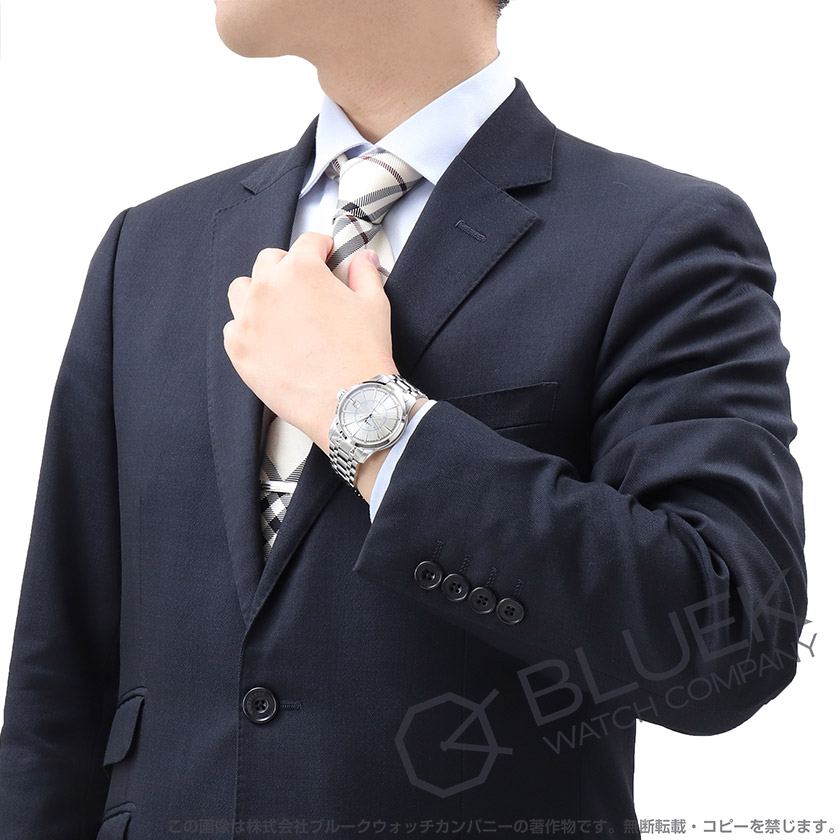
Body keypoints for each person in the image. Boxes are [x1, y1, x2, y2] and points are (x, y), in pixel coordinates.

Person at [0, 0, 807, 836]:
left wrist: (375, 423)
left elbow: (731, 632)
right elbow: (57, 686)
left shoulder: (657, 237)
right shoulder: (150, 248)